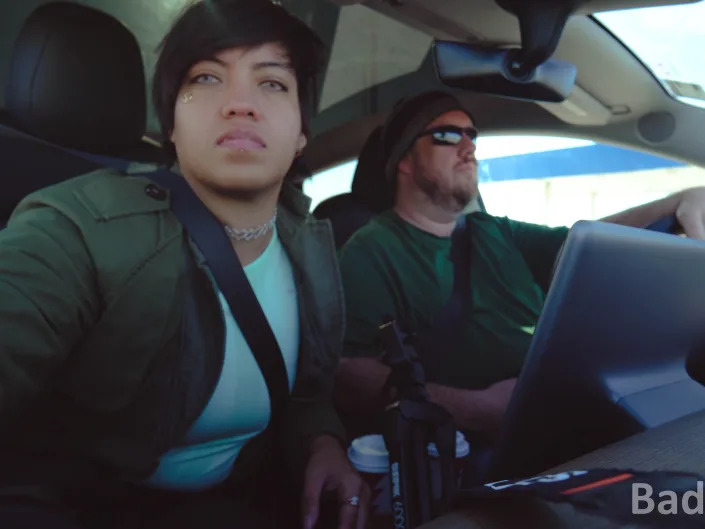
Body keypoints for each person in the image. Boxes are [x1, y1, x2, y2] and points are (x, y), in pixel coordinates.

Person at [0, 1, 368, 528]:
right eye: (207, 77)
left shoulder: (308, 244)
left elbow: (306, 395)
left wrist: (324, 445)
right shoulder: (79, 227)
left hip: (235, 502)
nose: (241, 103)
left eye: (272, 83)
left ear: (302, 132)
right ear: (171, 123)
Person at [335, 90, 705, 443]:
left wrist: (676, 202)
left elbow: (587, 243)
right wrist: (473, 409)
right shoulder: (371, 250)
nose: (469, 148)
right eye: (447, 135)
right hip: (474, 445)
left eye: (472, 136)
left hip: (573, 410)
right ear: (404, 159)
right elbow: (350, 375)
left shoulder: (495, 231)